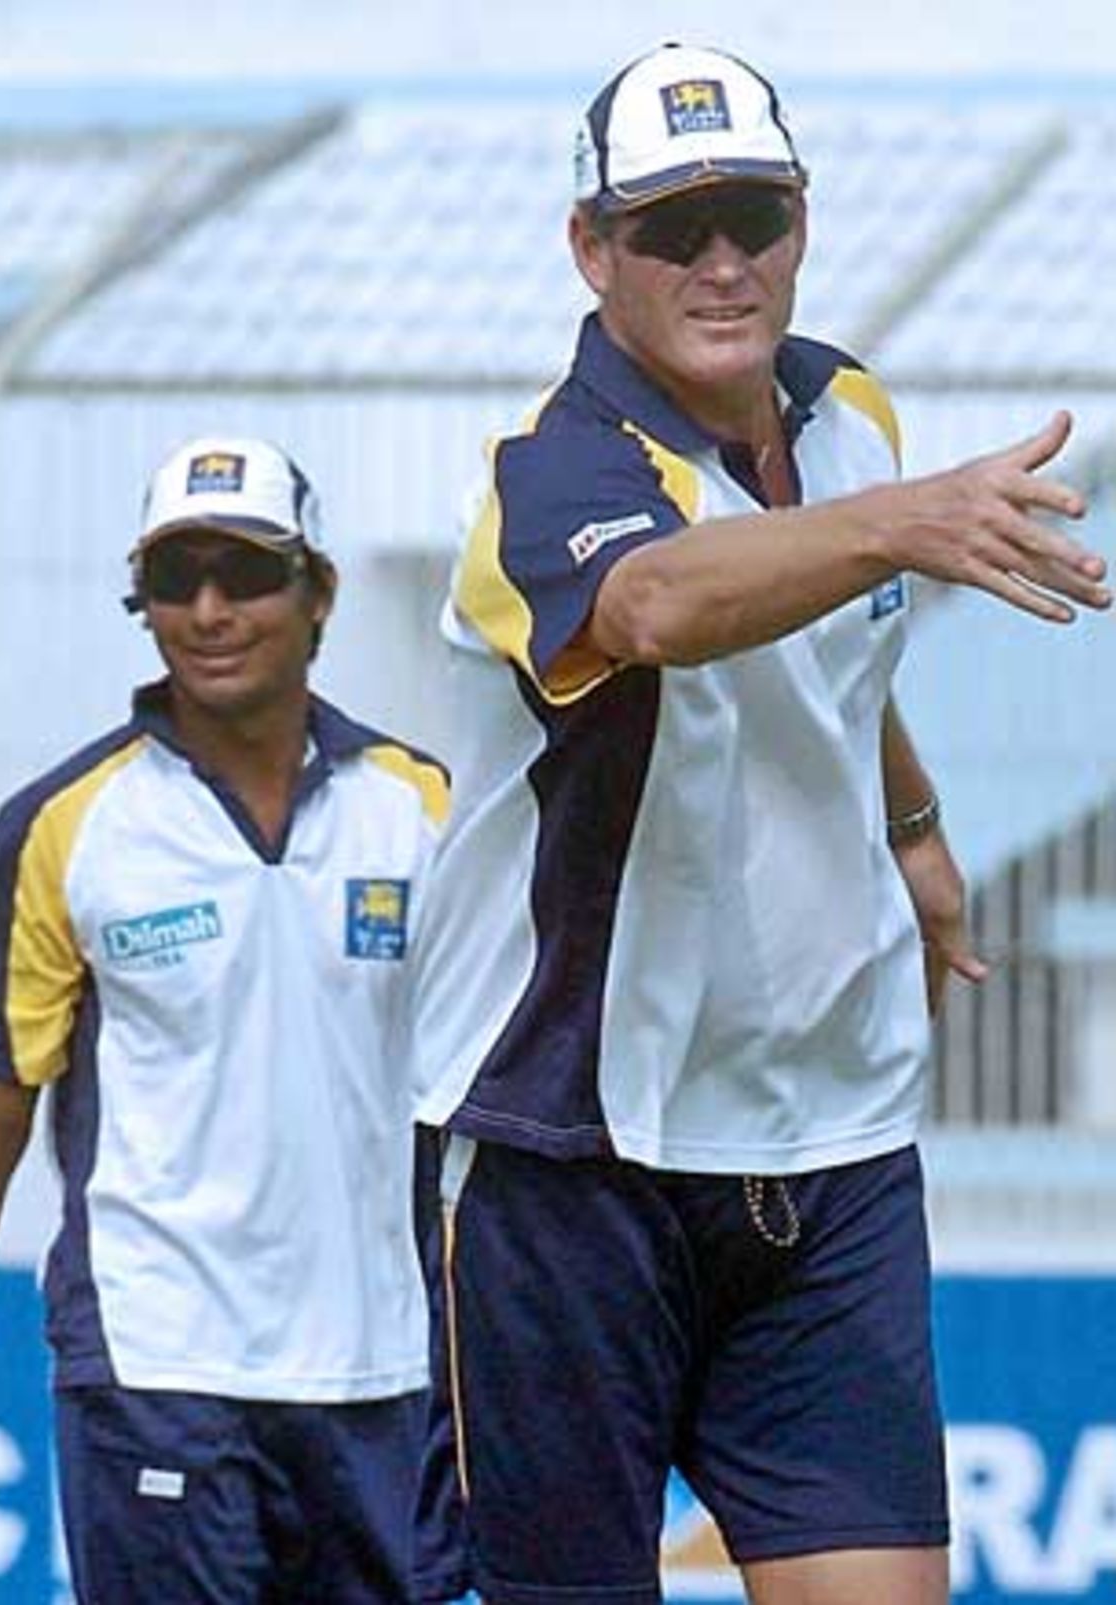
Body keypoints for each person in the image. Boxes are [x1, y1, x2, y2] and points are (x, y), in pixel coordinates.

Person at [408, 42, 1111, 1605]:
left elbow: (828, 654)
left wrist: (912, 819)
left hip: (829, 1143)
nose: (723, 262)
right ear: (593, 250)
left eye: (755, 216)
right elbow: (656, 605)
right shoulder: (557, 475)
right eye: (671, 228)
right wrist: (899, 524)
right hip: (568, 1151)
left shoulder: (843, 405)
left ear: (802, 219)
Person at [0, 436, 449, 1603]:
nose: (210, 611)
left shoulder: (419, 809)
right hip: (153, 1368)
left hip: (383, 1376)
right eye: (177, 581)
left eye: (246, 573)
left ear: (317, 593)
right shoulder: (66, 825)